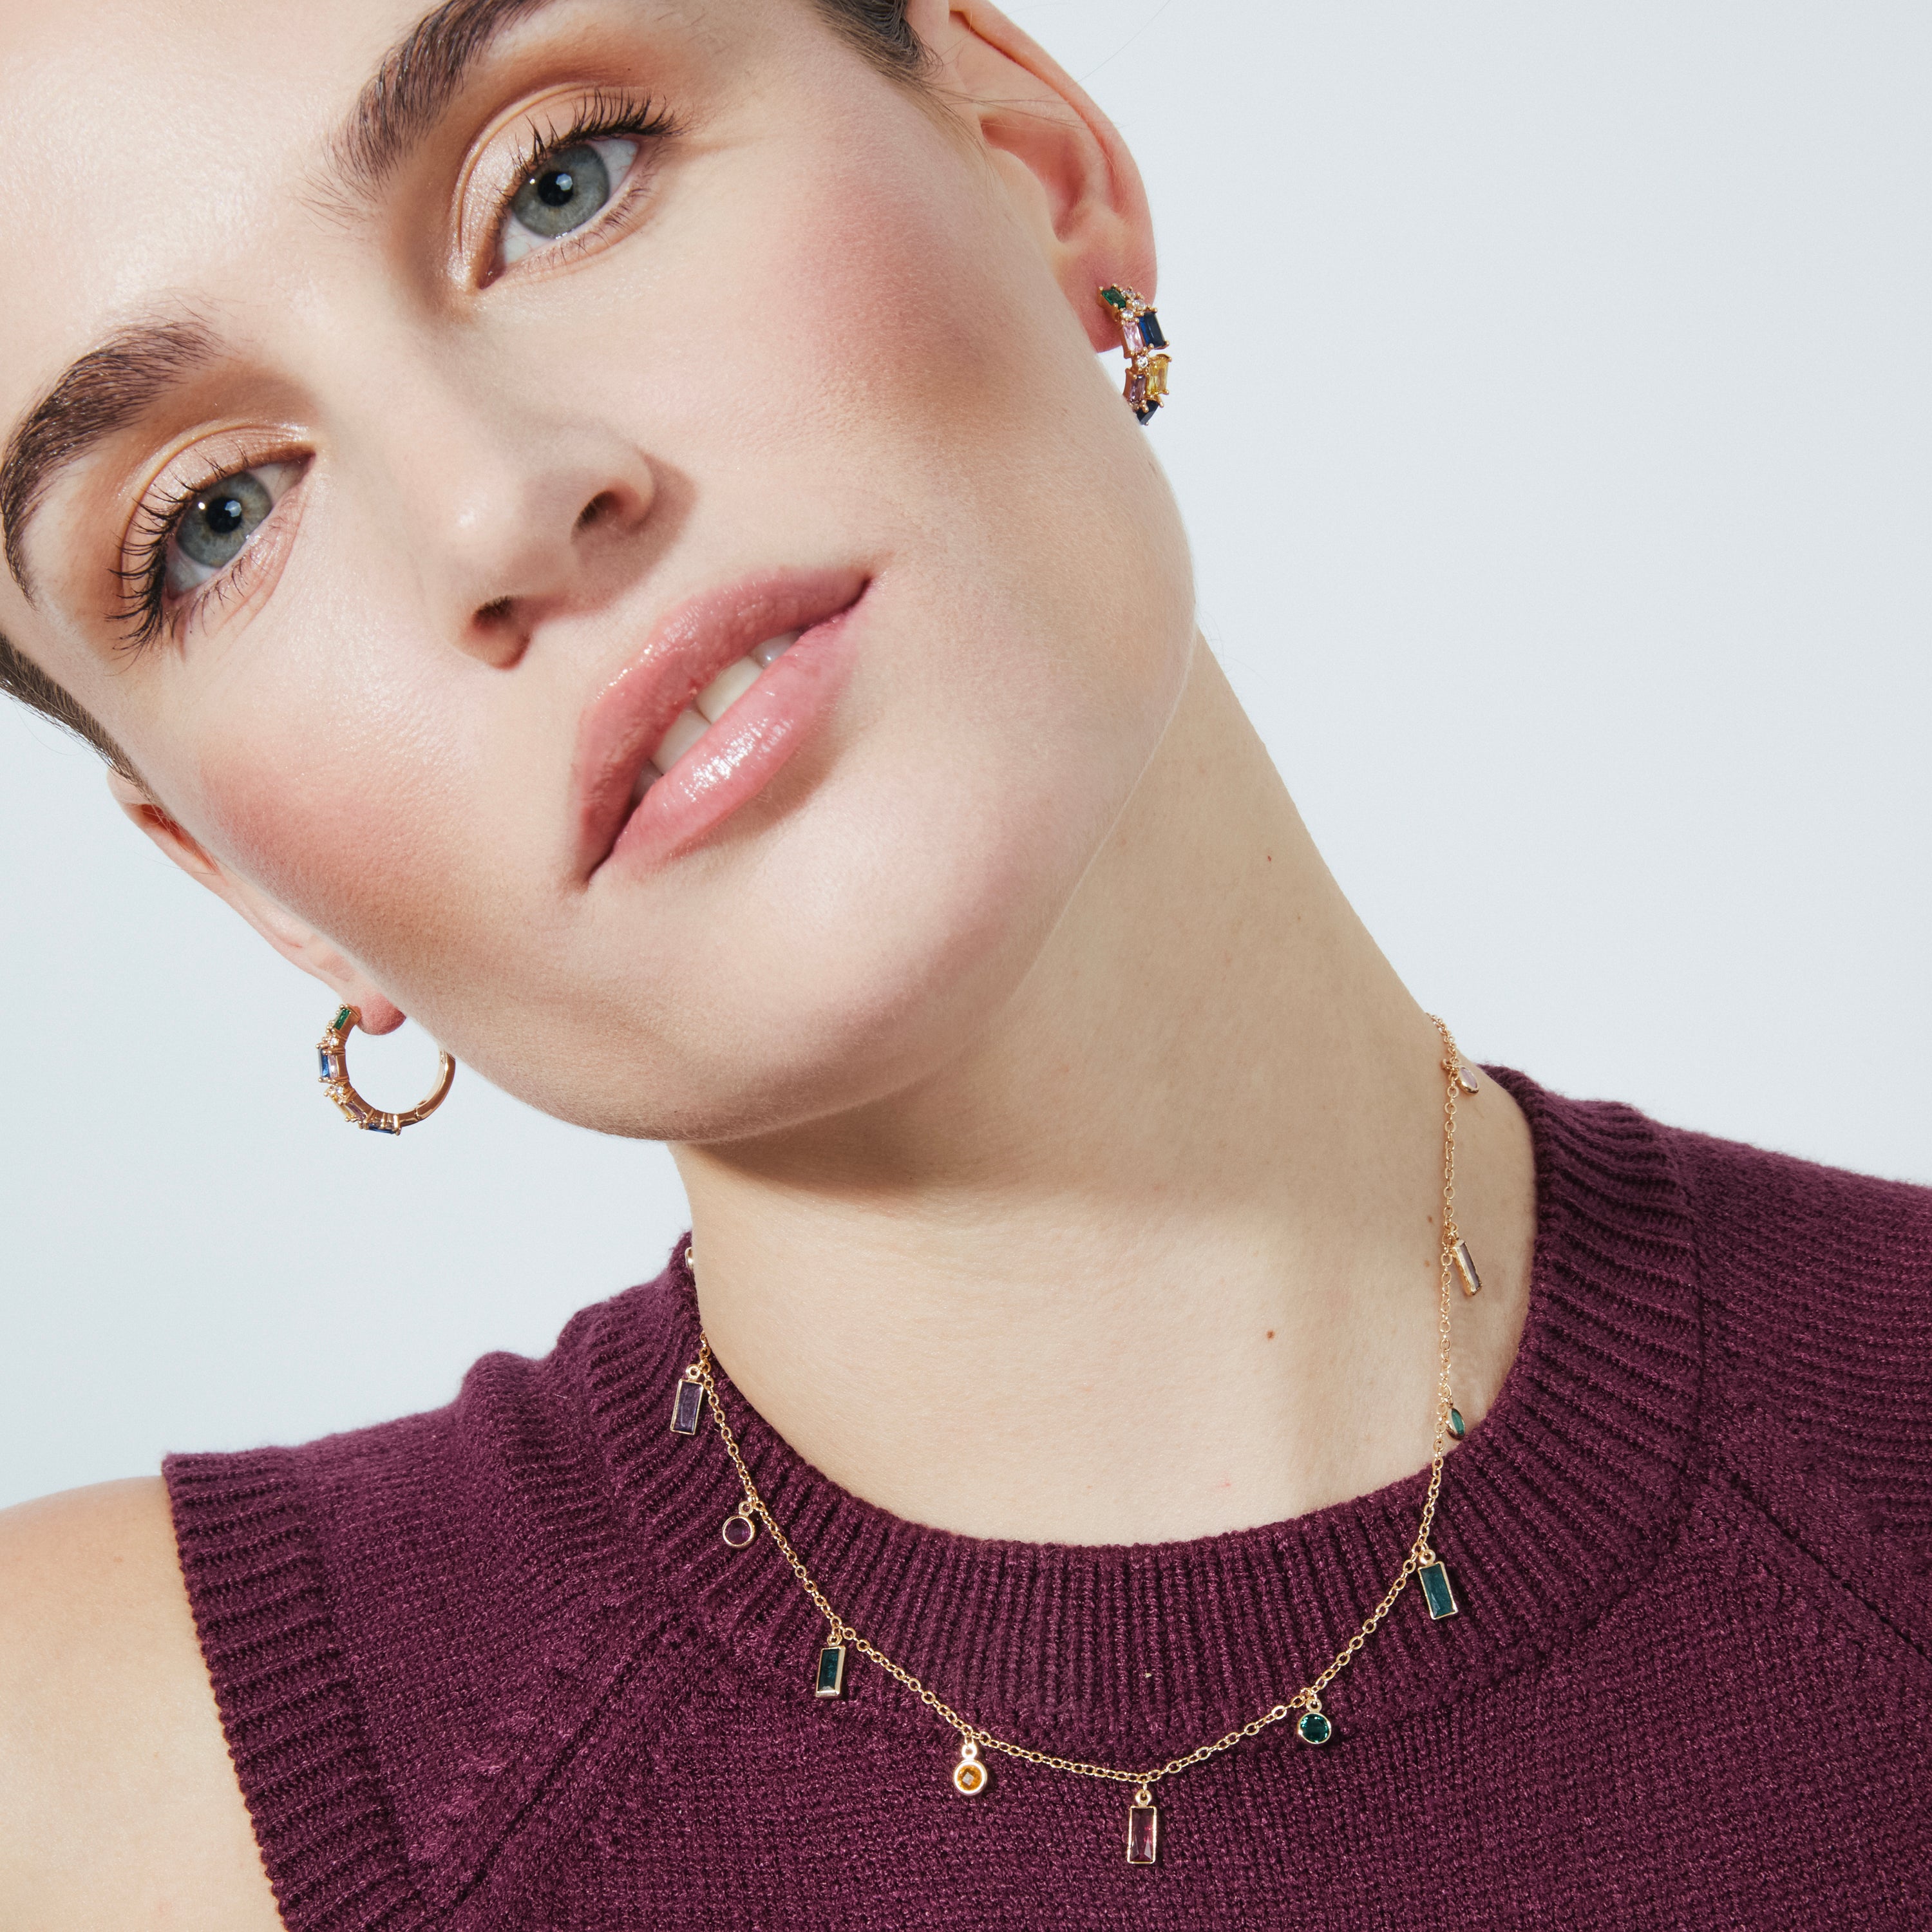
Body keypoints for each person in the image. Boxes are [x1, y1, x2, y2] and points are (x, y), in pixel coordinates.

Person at [0, 1, 1925, 1925]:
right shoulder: (97, 1813)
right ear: (244, 882)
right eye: (215, 521)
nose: (499, 505)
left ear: (1033, 162)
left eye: (560, 181)